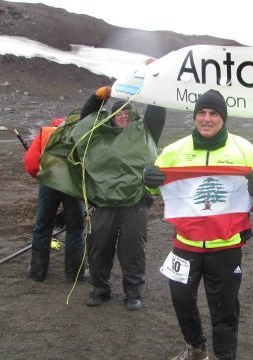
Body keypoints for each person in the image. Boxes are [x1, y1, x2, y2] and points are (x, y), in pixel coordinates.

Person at [142, 89, 253, 359]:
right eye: (201, 113)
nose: (207, 119)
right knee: (180, 300)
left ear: (223, 118)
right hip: (185, 244)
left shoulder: (244, 149)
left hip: (226, 247)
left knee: (224, 309)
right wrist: (149, 180)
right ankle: (196, 348)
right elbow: (159, 189)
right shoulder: (175, 150)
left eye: (213, 113)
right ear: (194, 117)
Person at [83, 85, 166, 310]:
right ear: (111, 116)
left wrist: (156, 81)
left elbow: (157, 112)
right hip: (103, 202)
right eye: (118, 112)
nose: (123, 115)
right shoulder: (99, 134)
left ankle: (133, 293)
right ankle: (100, 289)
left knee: (133, 249)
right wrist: (96, 97)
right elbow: (84, 121)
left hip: (135, 201)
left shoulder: (146, 131)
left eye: (127, 112)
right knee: (98, 246)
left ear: (133, 115)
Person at [25, 118, 85, 282]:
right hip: (73, 186)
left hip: (49, 182)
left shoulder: (45, 133)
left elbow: (31, 163)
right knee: (75, 228)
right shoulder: (80, 135)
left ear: (55, 125)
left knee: (43, 227)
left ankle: (37, 272)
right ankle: (74, 275)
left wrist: (40, 176)